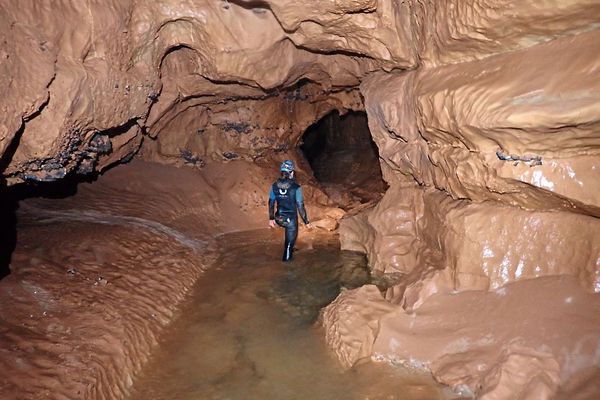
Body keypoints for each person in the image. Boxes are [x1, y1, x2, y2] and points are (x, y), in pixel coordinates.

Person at [268, 160, 311, 261]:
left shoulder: (274, 186)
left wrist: (271, 219)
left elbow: (271, 203)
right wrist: (306, 222)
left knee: (289, 238)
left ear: (281, 172)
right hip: (290, 220)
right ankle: (287, 268)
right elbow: (300, 206)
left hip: (279, 218)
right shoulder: (296, 188)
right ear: (291, 172)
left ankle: (290, 247)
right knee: (288, 246)